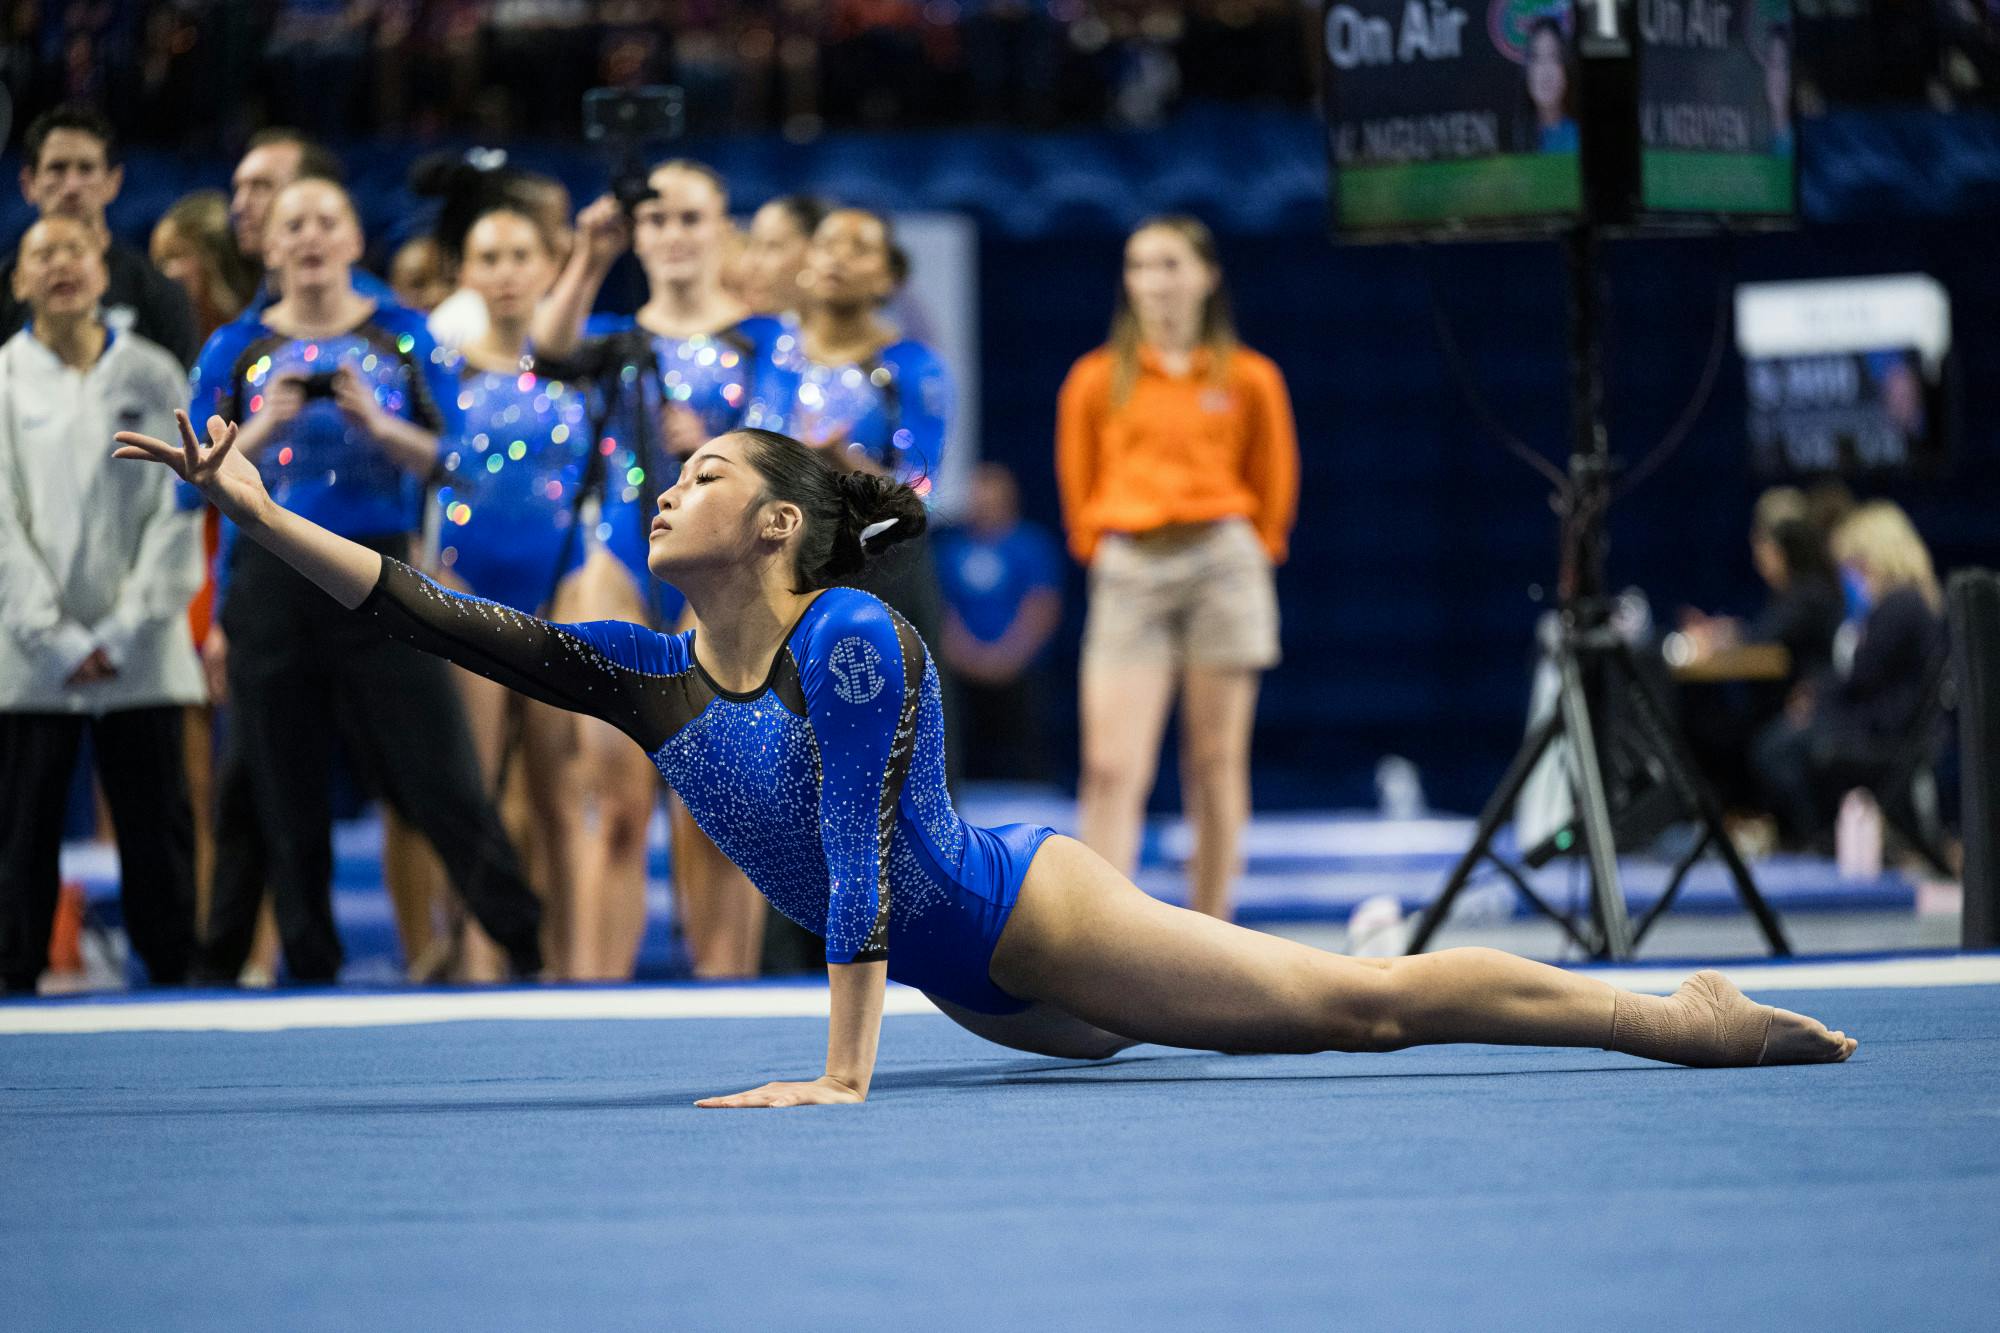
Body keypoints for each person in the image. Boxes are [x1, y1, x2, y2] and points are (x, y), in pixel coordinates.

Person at [123, 413, 1857, 1105]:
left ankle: (1660, 1011)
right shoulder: (651, 675)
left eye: (703, 474)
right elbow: (441, 617)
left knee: (1351, 1003)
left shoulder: (854, 639)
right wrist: (252, 505)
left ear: (781, 525)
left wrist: (844, 1075)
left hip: (1022, 918)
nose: (668, 491)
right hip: (991, 994)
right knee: (1270, 1017)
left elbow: (867, 865)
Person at [185, 176, 543, 983]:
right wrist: (265, 426)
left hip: (381, 575)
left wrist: (380, 427)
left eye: (326, 221)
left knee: (442, 778)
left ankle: (524, 942)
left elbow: (462, 460)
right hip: (270, 581)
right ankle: (309, 966)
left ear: (353, 241)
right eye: (293, 225)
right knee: (283, 788)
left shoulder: (404, 335)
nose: (310, 238)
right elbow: (191, 485)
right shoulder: (233, 350)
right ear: (268, 245)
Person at [532, 166, 785, 980]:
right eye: (658, 221)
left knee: (719, 806)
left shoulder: (767, 339)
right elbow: (548, 350)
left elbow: (791, 457)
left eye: (690, 217)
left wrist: (720, 439)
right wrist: (586, 254)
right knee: (612, 803)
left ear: (720, 228)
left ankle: (724, 989)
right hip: (623, 556)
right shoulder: (614, 338)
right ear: (639, 235)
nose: (674, 234)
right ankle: (597, 995)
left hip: (725, 573)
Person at [1056, 215, 1297, 920]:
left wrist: (1255, 547)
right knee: (1109, 767)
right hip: (1131, 566)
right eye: (1139, 266)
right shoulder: (1097, 379)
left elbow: (1274, 481)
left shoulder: (1250, 377)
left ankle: (1213, 929)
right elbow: (1079, 480)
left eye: (1169, 264)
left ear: (1206, 276)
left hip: (1222, 562)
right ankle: (1098, 937)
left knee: (1215, 763)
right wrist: (1099, 545)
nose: (1153, 281)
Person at [0, 215, 202, 993]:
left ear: (103, 271)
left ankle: (181, 991)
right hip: (27, 654)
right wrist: (53, 639)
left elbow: (180, 507)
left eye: (74, 251)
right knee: (20, 840)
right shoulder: (5, 378)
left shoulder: (153, 374)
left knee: (160, 839)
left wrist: (122, 630)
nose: (60, 266)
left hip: (141, 650)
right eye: (40, 254)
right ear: (18, 281)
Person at [427, 203, 590, 978]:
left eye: (521, 254)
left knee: (563, 797)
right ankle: (480, 967)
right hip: (468, 584)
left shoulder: (586, 368)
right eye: (488, 257)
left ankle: (580, 969)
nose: (506, 272)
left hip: (562, 584)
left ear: (551, 265)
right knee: (475, 796)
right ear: (463, 272)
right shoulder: (436, 368)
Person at [1753, 502, 1947, 847]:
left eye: (1855, 564)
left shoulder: (1901, 605)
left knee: (1779, 748)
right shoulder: (1892, 605)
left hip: (1884, 731)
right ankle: (1819, 839)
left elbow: (1862, 677)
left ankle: (1816, 840)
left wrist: (1815, 698)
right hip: (1873, 720)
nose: (1851, 576)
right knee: (1783, 739)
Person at [0, 103, 197, 365]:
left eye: (86, 169)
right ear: (28, 184)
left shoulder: (158, 294)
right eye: (57, 168)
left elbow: (180, 396)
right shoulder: (3, 289)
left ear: (113, 182)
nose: (71, 186)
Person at [935, 461, 1064, 783]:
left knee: (1027, 746)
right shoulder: (949, 549)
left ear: (1010, 500)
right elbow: (939, 609)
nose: (985, 507)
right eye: (979, 499)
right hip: (959, 669)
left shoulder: (1031, 545)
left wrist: (1006, 658)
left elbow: (1041, 607)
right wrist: (969, 657)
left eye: (993, 500)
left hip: (1020, 671)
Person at [738, 195, 830, 319]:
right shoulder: (727, 332)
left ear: (815, 254)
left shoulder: (850, 334)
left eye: (773, 247)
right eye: (750, 244)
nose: (751, 262)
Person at [1521, 19, 1578, 154]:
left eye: (1554, 57)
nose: (1546, 71)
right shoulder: (1514, 137)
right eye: (1537, 58)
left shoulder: (1579, 137)